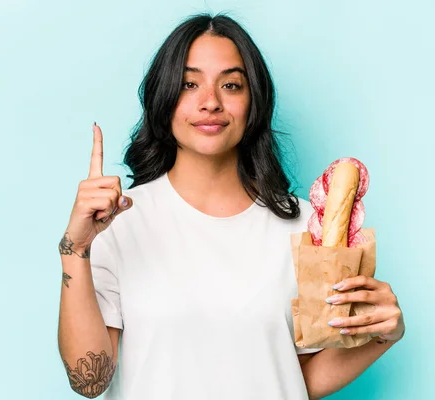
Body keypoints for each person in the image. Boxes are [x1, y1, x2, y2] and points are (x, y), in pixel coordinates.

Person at [57, 13, 405, 400]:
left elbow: (293, 377)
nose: (211, 102)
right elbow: (89, 381)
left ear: (253, 100)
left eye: (231, 85)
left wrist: (382, 335)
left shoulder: (308, 226)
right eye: (190, 84)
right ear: (164, 98)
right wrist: (76, 249)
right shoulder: (118, 220)